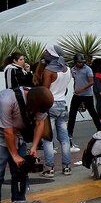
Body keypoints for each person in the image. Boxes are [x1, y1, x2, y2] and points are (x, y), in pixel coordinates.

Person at [0, 86, 53, 202]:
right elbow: (8, 132)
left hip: (18, 136)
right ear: (31, 104)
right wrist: (15, 155)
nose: (37, 113)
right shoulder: (7, 99)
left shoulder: (39, 100)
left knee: (20, 172)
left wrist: (34, 147)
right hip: (2, 135)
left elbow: (40, 123)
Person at [39, 46, 73, 177]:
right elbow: (64, 90)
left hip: (50, 105)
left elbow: (45, 90)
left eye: (47, 52)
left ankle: (50, 168)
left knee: (48, 138)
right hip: (63, 104)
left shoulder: (49, 71)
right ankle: (66, 167)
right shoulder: (67, 69)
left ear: (52, 55)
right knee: (64, 138)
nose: (45, 54)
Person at [68, 54, 101, 138]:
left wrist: (81, 89)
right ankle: (69, 133)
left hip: (87, 95)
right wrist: (75, 90)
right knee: (72, 114)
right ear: (75, 62)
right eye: (79, 62)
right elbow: (75, 80)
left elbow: (91, 82)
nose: (81, 64)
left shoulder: (87, 69)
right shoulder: (73, 69)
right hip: (77, 95)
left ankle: (100, 130)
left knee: (92, 112)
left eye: (82, 62)